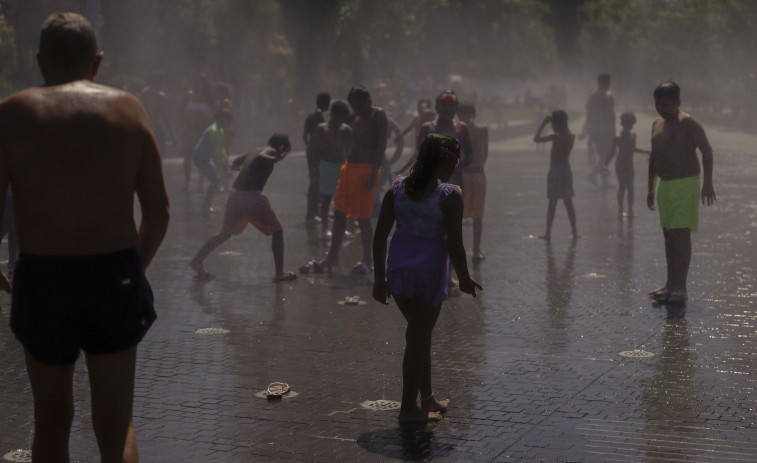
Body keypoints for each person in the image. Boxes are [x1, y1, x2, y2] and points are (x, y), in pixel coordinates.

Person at [0, 12, 169, 462]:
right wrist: (135, 268)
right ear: (97, 62)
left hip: (42, 277)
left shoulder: (11, 113)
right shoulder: (128, 108)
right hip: (112, 273)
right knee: (116, 429)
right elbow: (159, 211)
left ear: (40, 62)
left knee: (51, 424)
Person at [372, 133, 482, 423]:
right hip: (429, 274)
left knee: (419, 337)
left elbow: (380, 235)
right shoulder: (449, 195)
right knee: (418, 338)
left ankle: (428, 399)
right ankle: (408, 409)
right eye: (454, 162)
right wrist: (465, 278)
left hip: (399, 273)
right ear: (444, 160)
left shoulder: (397, 189)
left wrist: (379, 279)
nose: (454, 168)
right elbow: (455, 245)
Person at [301, 86, 387, 275]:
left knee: (363, 218)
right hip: (348, 169)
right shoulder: (356, 118)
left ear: (369, 103)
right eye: (354, 107)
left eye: (360, 106)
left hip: (366, 170)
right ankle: (332, 257)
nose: (357, 110)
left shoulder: (377, 115)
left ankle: (367, 261)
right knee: (339, 212)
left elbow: (381, 145)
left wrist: (373, 175)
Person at [189, 133, 298, 283]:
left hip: (235, 196)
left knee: (225, 233)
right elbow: (263, 158)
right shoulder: (270, 152)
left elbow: (235, 163)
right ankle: (280, 273)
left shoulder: (255, 150)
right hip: (250, 198)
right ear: (281, 148)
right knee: (277, 231)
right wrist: (277, 157)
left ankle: (197, 261)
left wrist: (244, 169)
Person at [647, 81, 715, 303]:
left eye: (666, 104)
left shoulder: (688, 123)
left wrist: (708, 183)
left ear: (678, 102)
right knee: (668, 235)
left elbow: (706, 150)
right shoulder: (656, 124)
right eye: (658, 104)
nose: (661, 109)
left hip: (685, 184)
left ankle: (681, 288)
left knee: (681, 235)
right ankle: (670, 284)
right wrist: (650, 188)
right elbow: (654, 158)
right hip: (665, 186)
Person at [396, 90, 473, 192]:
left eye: (452, 105)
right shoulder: (427, 128)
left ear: (457, 108)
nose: (448, 109)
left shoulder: (462, 128)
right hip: (430, 182)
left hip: (456, 181)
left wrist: (458, 166)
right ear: (437, 108)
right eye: (444, 105)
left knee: (452, 207)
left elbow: (470, 154)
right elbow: (419, 155)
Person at [533, 110, 578, 241]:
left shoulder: (556, 137)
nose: (552, 126)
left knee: (552, 204)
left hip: (555, 171)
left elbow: (536, 139)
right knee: (568, 203)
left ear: (557, 123)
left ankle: (547, 233)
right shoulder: (571, 136)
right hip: (566, 170)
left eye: (552, 123)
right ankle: (575, 231)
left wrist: (543, 123)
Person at [310, 100, 353, 238]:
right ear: (333, 114)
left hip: (342, 166)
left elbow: (351, 149)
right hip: (327, 166)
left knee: (342, 199)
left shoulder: (346, 129)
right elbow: (314, 150)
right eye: (339, 116)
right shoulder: (322, 129)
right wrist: (314, 169)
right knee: (326, 199)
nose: (340, 120)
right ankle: (324, 229)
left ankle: (343, 228)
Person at [602, 112, 650, 219]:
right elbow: (612, 152)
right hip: (621, 165)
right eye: (630, 124)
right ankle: (620, 210)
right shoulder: (618, 137)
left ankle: (630, 211)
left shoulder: (633, 136)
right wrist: (605, 164)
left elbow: (633, 149)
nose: (631, 126)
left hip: (629, 164)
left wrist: (646, 152)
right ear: (625, 124)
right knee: (622, 187)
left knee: (630, 188)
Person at [457, 101, 489, 263]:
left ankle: (455, 251)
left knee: (456, 214)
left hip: (461, 174)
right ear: (474, 114)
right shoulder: (482, 129)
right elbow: (485, 155)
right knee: (478, 215)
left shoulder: (458, 129)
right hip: (478, 174)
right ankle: (476, 251)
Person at [193, 110, 233, 215]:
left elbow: (221, 149)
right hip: (201, 157)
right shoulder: (214, 131)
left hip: (204, 157)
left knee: (215, 179)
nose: (229, 124)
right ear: (221, 120)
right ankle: (206, 205)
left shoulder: (219, 129)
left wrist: (226, 164)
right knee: (215, 180)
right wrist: (225, 167)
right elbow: (218, 152)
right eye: (227, 121)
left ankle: (207, 204)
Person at [180, 73, 215, 191]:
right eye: (198, 82)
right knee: (187, 157)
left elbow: (214, 115)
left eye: (202, 82)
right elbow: (182, 111)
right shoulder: (189, 95)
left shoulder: (209, 98)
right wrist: (184, 125)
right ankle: (187, 182)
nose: (200, 85)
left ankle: (200, 183)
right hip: (190, 130)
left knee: (202, 157)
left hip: (203, 131)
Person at [303, 92, 331, 228]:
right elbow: (321, 136)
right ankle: (311, 215)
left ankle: (314, 213)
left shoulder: (310, 116)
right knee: (315, 183)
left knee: (315, 181)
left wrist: (310, 148)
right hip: (317, 153)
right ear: (325, 103)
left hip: (311, 151)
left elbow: (304, 137)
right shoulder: (319, 117)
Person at [583, 73, 616, 170]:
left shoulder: (593, 96)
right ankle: (596, 176)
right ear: (607, 82)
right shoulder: (607, 95)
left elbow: (589, 114)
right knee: (607, 153)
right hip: (603, 127)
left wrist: (587, 128)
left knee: (604, 153)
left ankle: (601, 178)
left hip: (598, 127)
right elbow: (610, 113)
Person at [139, 71, 176, 157]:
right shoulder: (161, 97)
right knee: (157, 155)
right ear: (159, 82)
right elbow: (165, 117)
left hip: (147, 127)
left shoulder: (144, 94)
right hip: (154, 128)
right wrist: (172, 134)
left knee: (147, 155)